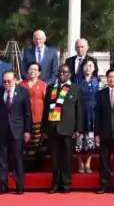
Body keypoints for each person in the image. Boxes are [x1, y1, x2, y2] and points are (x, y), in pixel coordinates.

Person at [0, 71, 31, 194]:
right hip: (1, 130)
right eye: (4, 81)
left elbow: (27, 113)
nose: (6, 83)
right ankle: (3, 186)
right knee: (1, 159)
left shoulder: (23, 92)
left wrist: (27, 131)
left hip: (17, 130)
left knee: (17, 159)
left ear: (15, 80)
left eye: (9, 81)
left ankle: (19, 186)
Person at [43, 64, 83, 193]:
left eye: (65, 72)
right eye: (60, 72)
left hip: (68, 129)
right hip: (53, 128)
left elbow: (79, 110)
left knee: (66, 158)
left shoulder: (75, 88)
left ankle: (66, 184)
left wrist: (78, 129)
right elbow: (45, 109)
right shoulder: (51, 88)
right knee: (54, 159)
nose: (62, 74)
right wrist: (44, 128)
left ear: (70, 74)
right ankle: (55, 184)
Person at [74, 57, 101, 174]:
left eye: (91, 65)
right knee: (79, 139)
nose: (88, 68)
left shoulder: (98, 81)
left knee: (90, 138)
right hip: (79, 111)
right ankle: (80, 162)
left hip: (93, 112)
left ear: (94, 68)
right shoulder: (77, 80)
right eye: (86, 65)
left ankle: (88, 163)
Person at [21, 62, 48, 168]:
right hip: (24, 119)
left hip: (38, 118)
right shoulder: (21, 84)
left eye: (36, 69)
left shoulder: (43, 85)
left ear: (39, 73)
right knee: (25, 142)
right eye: (31, 69)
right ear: (27, 71)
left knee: (37, 143)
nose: (33, 71)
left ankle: (36, 166)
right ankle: (26, 166)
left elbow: (47, 102)